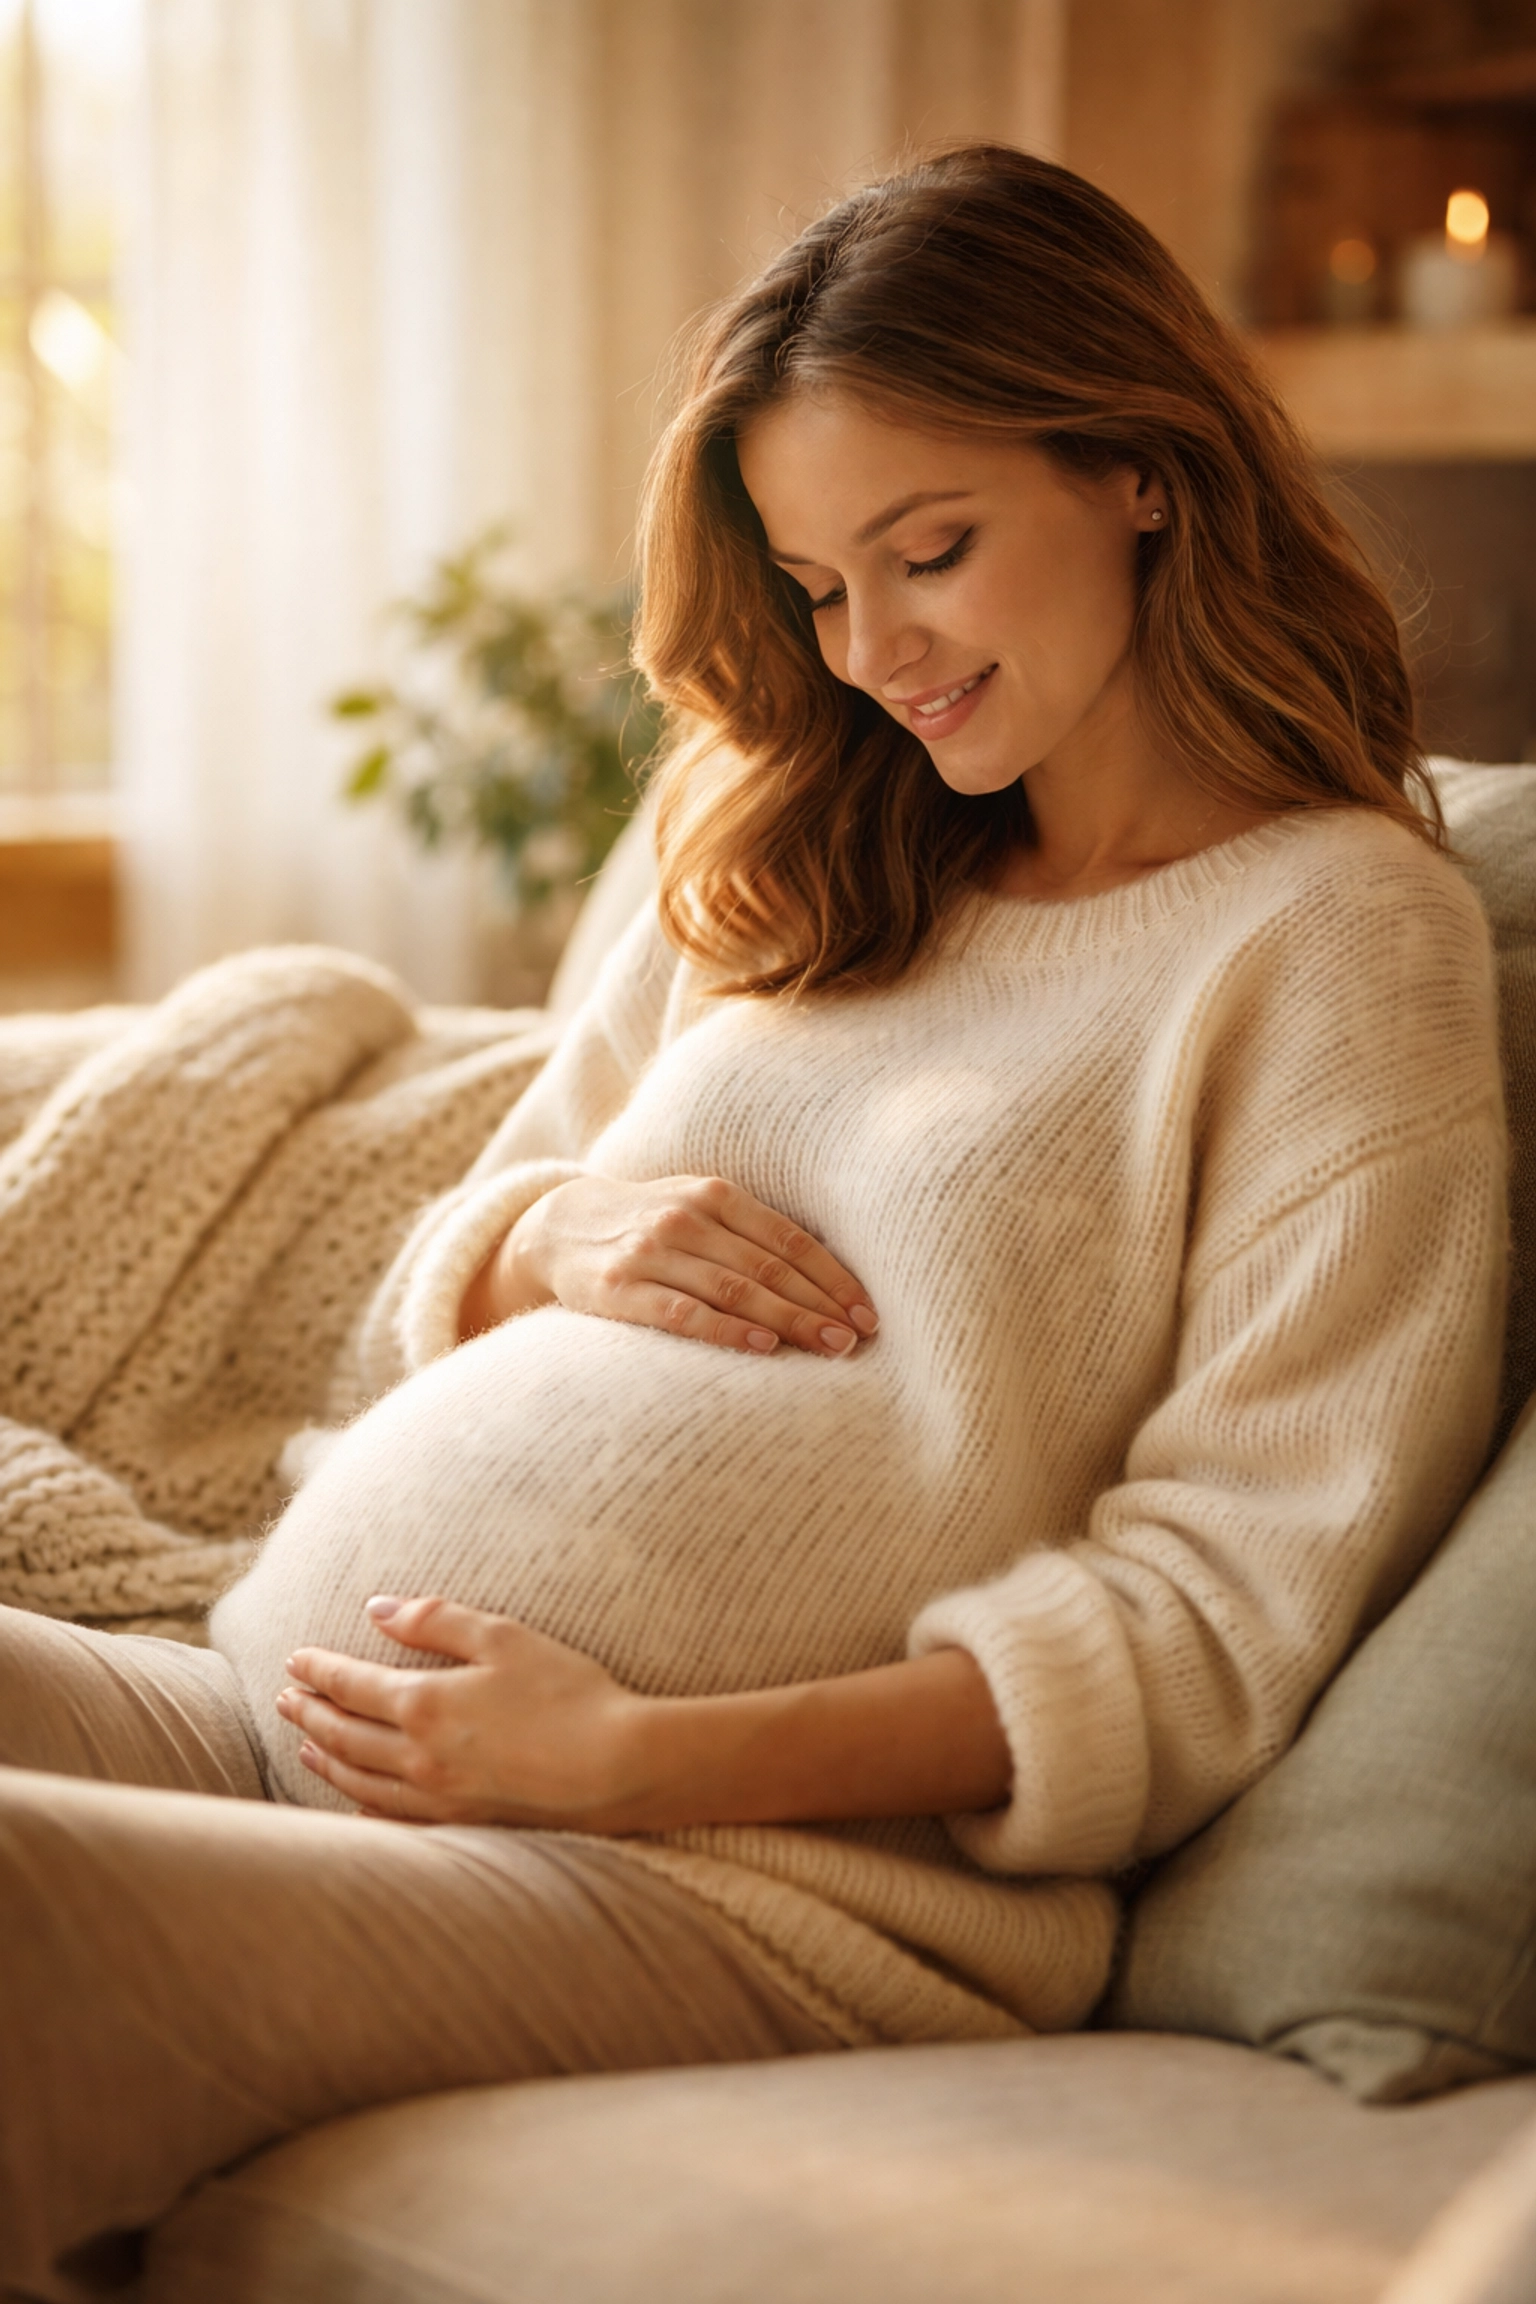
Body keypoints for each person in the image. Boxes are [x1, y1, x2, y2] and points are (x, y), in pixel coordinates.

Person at [0, 142, 1505, 2292]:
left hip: (743, 1888)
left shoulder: (1334, 938)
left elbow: (1211, 1622)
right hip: (279, 1698)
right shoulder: (811, 834)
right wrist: (556, 1244)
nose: (874, 647)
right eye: (816, 586)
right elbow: (477, 1231)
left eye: (932, 552)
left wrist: (627, 1761)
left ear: (1142, 470)